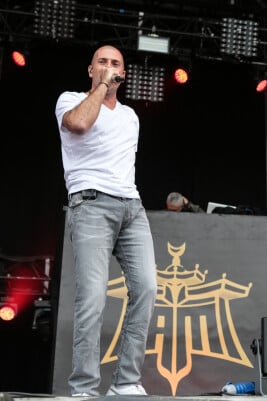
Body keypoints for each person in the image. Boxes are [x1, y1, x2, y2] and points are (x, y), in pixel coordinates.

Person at [55, 45, 158, 396]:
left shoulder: (131, 116)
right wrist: (101, 87)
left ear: (124, 73)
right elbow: (81, 124)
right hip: (91, 203)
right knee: (93, 297)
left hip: (132, 207)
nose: (109, 67)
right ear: (90, 69)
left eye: (116, 64)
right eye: (103, 62)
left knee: (146, 288)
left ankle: (126, 382)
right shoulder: (70, 100)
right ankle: (84, 387)